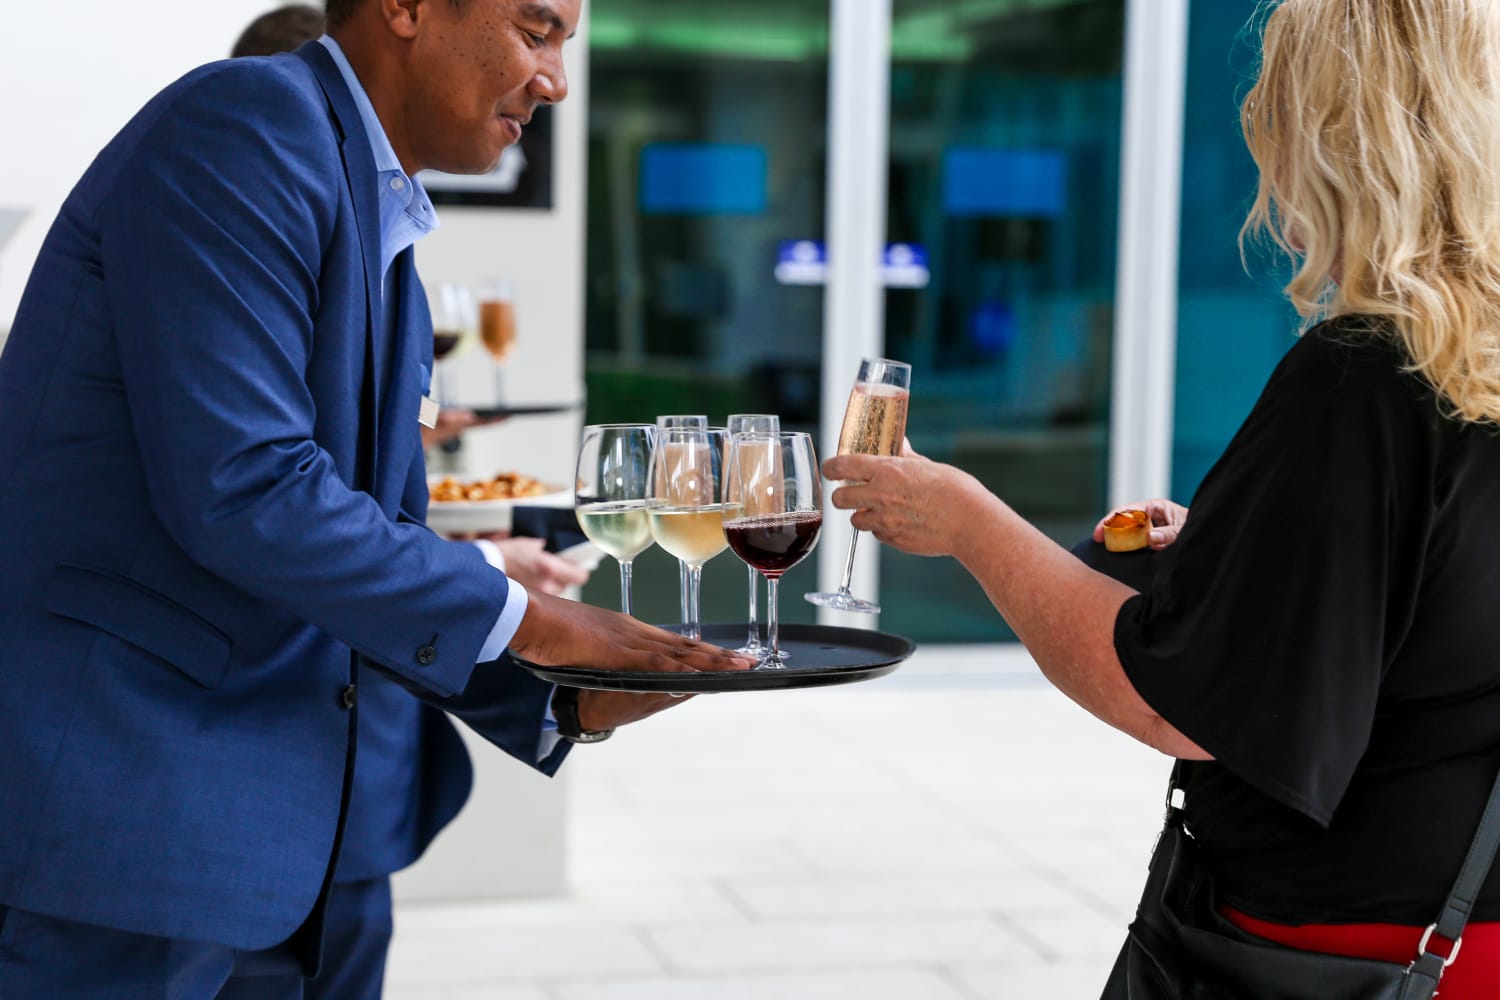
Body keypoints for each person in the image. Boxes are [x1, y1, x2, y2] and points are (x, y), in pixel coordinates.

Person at [0, 1, 749, 996]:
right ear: (403, 7)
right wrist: (535, 618)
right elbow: (249, 488)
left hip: (287, 827)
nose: (556, 81)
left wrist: (558, 699)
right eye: (536, 31)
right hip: (134, 826)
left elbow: (374, 533)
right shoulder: (242, 127)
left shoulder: (375, 201)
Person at [826, 1, 1500, 994]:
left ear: (1330, 130)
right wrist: (1241, 548)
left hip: (1338, 956)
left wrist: (969, 520)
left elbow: (1190, 709)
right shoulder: (1473, 359)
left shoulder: (1365, 376)